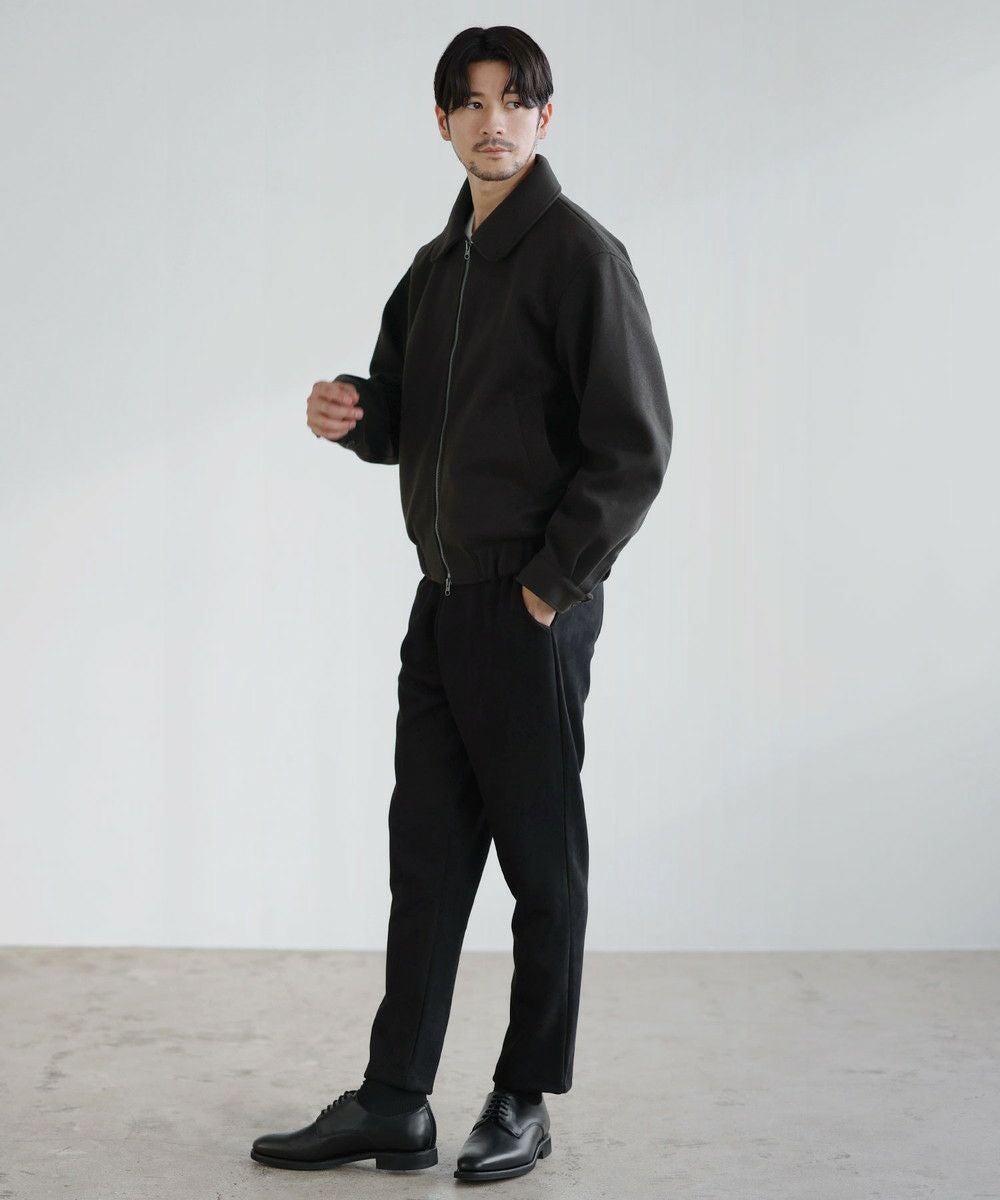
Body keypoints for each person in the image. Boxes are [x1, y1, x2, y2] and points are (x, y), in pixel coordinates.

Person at [251, 24, 672, 1184]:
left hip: (525, 608)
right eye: (471, 102)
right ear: (440, 122)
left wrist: (548, 586)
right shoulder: (438, 267)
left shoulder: (579, 257)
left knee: (541, 867)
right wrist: (355, 413)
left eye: (514, 100)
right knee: (427, 861)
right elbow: (407, 413)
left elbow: (633, 448)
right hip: (440, 608)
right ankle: (395, 1101)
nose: (494, 121)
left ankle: (522, 1096)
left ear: (545, 117)